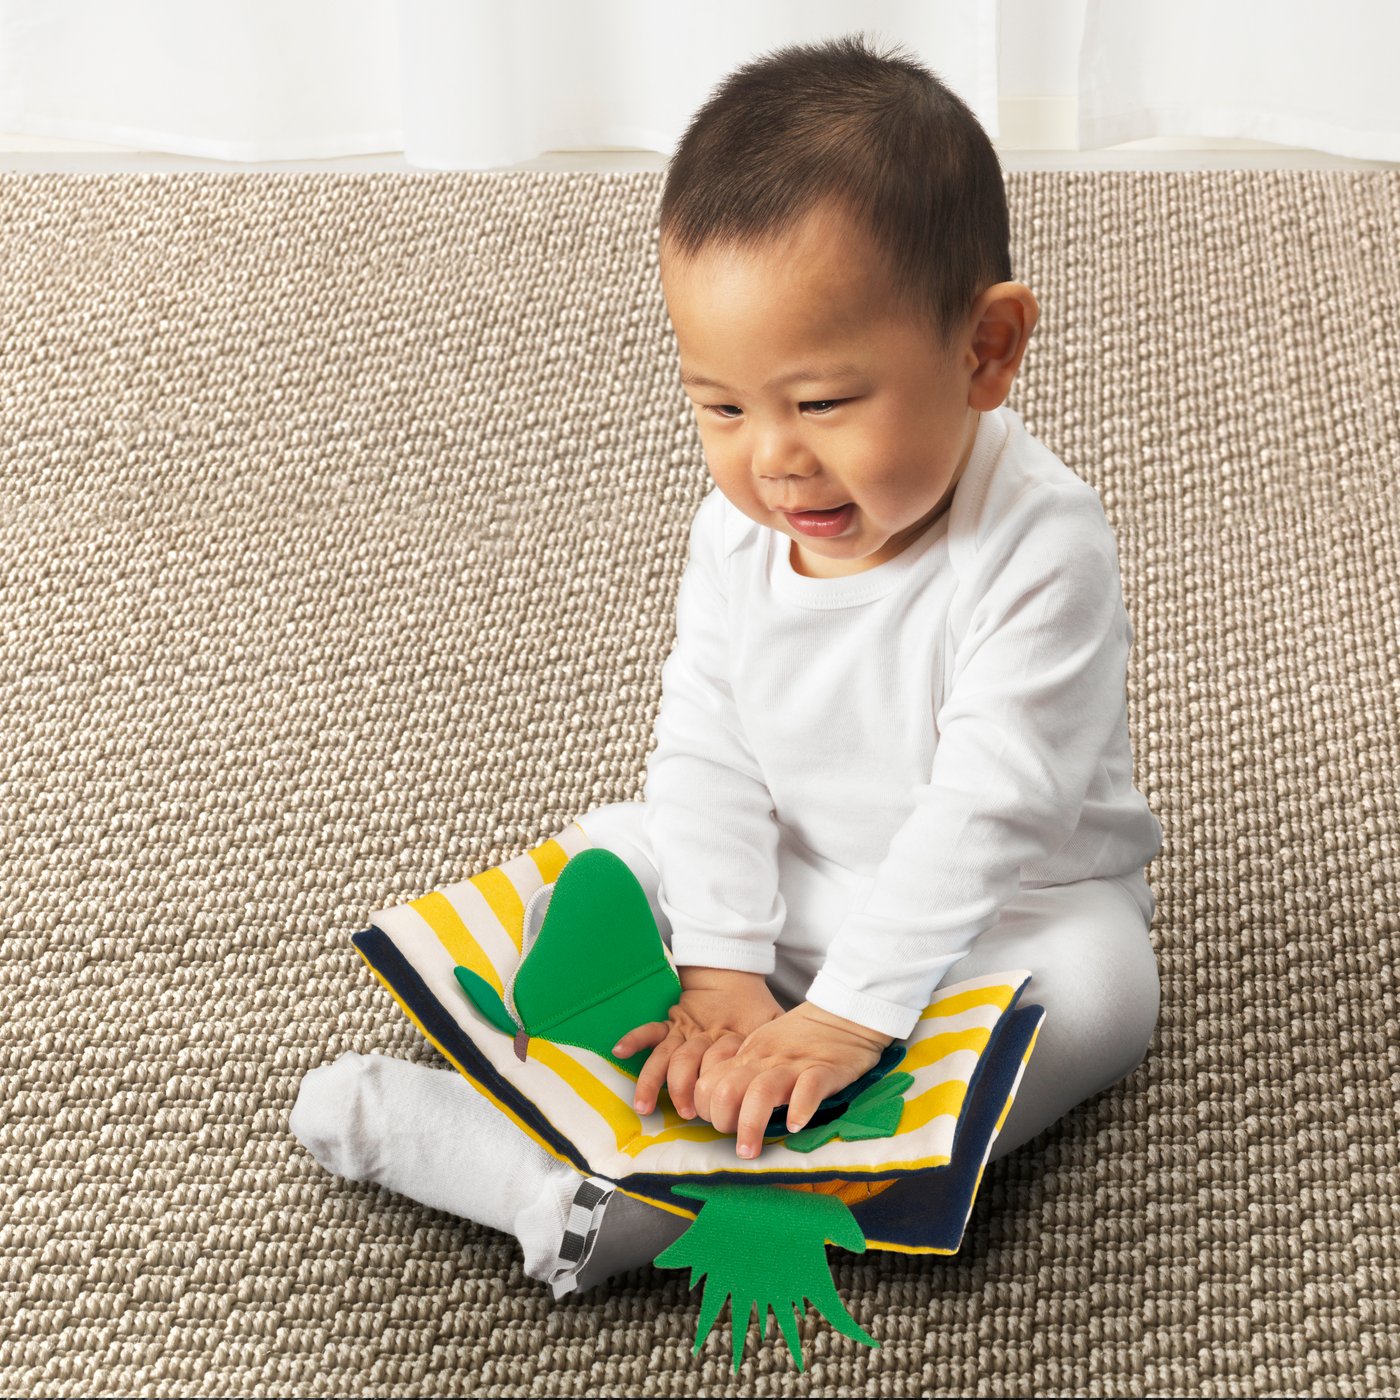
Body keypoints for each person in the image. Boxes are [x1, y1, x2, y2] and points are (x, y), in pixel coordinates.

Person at [289, 31, 1164, 1299]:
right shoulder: (738, 531)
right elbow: (707, 737)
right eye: (720, 405)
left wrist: (847, 1015)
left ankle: (615, 1196)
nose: (773, 460)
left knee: (1099, 996)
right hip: (802, 866)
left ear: (984, 351)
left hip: (1005, 902)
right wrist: (721, 960)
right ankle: (639, 1049)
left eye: (819, 403)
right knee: (619, 839)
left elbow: (992, 804)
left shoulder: (1039, 545)